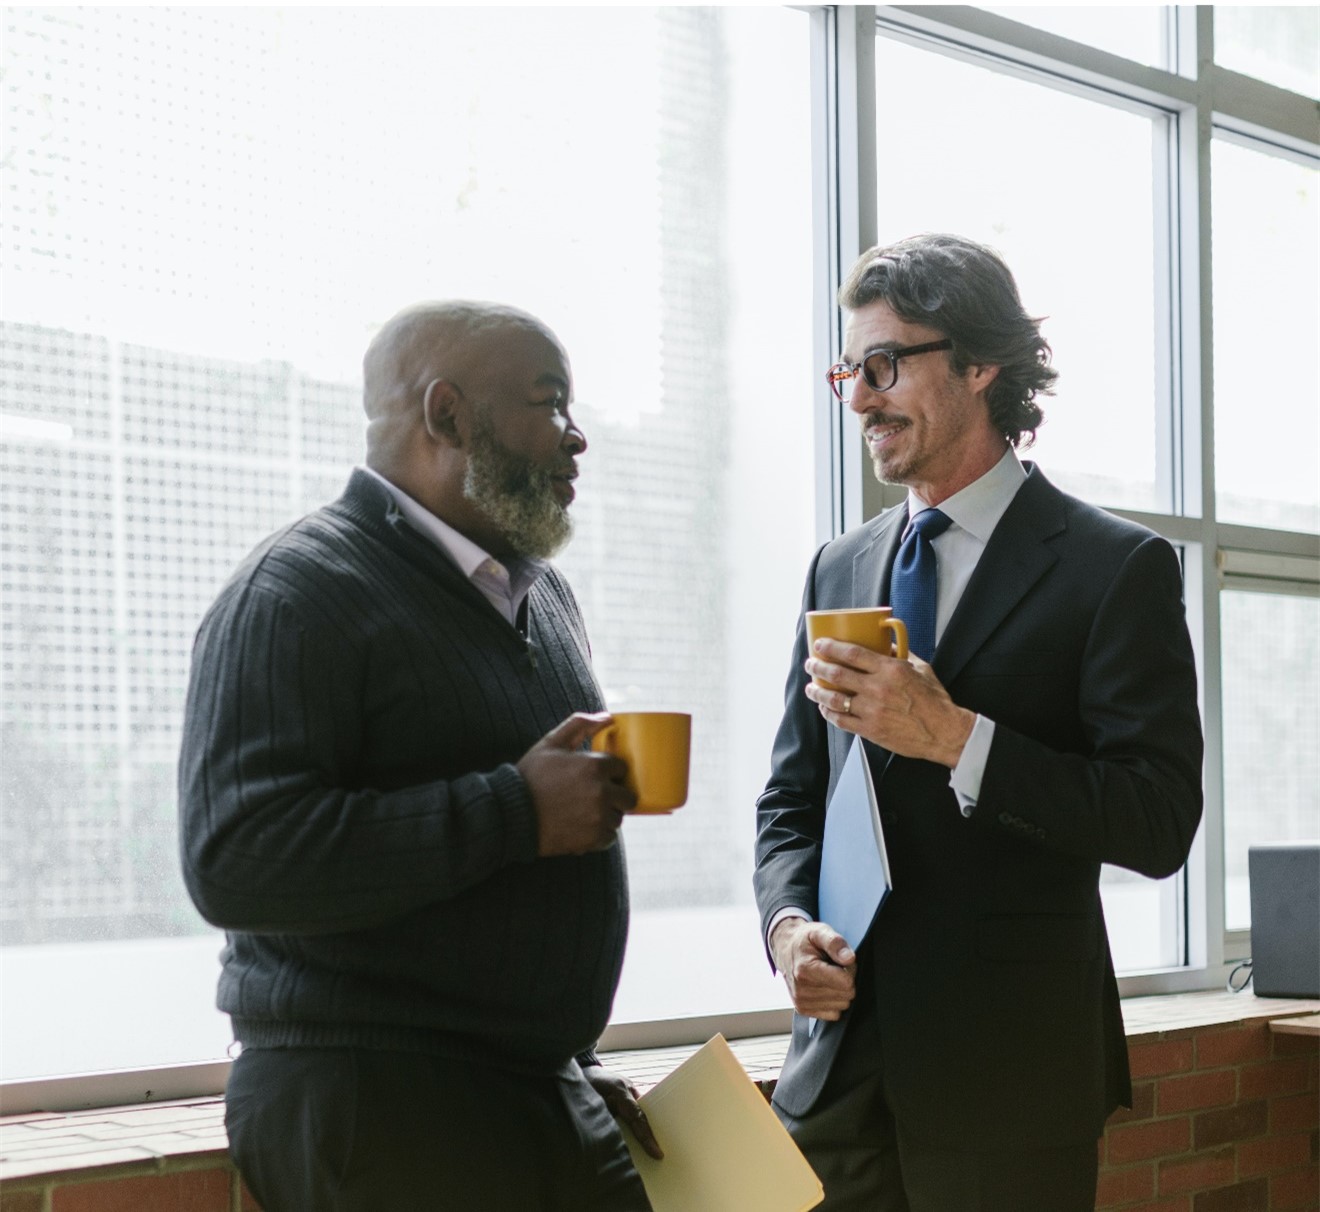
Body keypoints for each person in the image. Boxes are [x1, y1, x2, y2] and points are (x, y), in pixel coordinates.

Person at [753, 234, 1203, 1211]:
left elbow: (1159, 820)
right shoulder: (838, 568)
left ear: (979, 365)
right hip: (832, 1081)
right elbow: (791, 796)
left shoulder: (1113, 569)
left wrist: (957, 739)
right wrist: (789, 927)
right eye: (848, 374)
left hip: (1009, 1085)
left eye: (882, 367)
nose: (860, 398)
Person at [178, 301, 661, 1212]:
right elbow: (234, 860)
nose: (578, 438)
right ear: (447, 416)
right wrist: (517, 812)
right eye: (551, 404)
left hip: (535, 1093)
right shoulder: (293, 592)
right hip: (383, 1110)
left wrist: (564, 1062)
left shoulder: (540, 594)